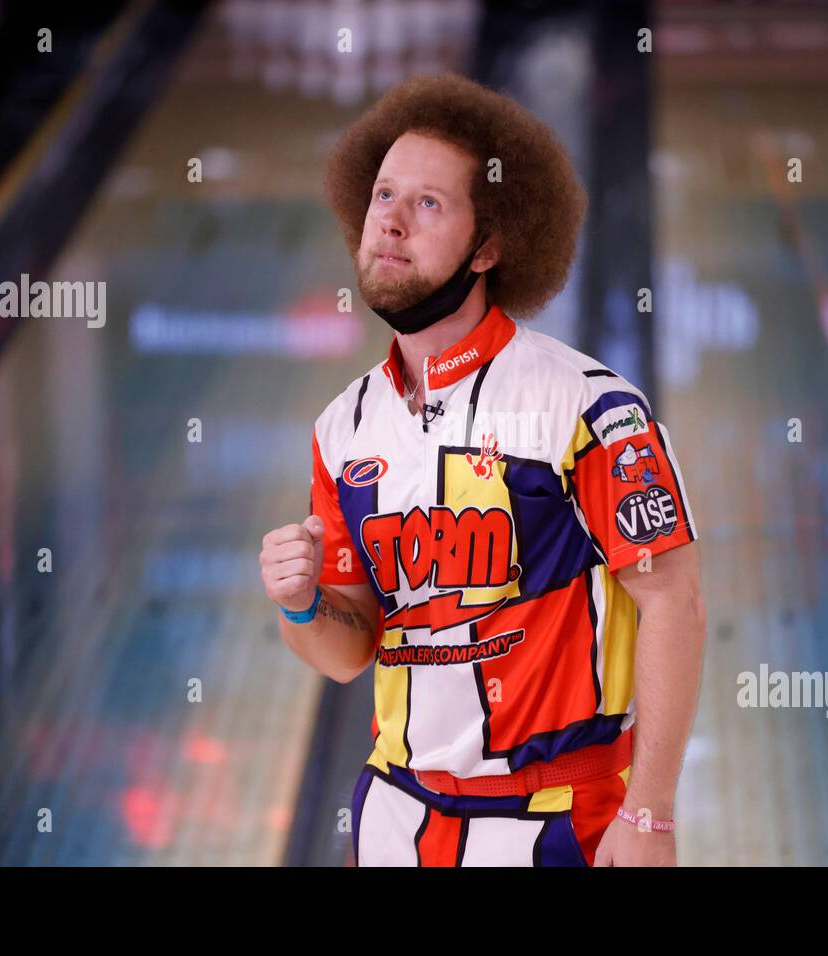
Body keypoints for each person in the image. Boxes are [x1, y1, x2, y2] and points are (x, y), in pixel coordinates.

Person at [258, 73, 706, 866]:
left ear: (490, 246)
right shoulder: (342, 428)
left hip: (564, 818)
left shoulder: (588, 407)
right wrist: (301, 607)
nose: (390, 222)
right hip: (397, 816)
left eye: (428, 204)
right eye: (383, 195)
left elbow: (672, 600)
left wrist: (652, 815)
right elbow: (350, 649)